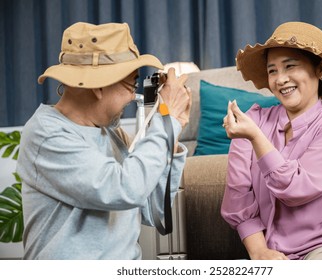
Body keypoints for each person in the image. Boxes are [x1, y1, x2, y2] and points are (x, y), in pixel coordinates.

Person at [16, 22, 191, 259]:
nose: (133, 95)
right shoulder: (46, 135)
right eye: (132, 83)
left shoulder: (110, 133)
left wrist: (173, 133)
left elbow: (152, 210)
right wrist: (165, 122)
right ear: (99, 85)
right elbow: (124, 189)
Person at [220, 21, 322, 260]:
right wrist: (259, 251)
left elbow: (294, 189)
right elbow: (238, 197)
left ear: (320, 70)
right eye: (272, 71)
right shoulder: (253, 121)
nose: (280, 79)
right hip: (272, 253)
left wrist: (256, 137)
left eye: (290, 66)